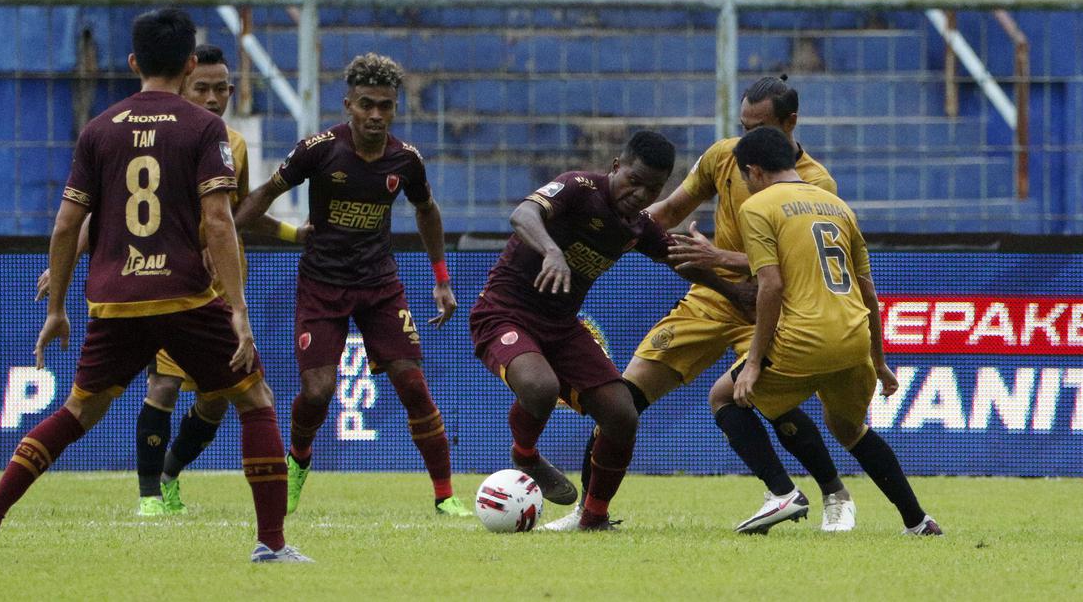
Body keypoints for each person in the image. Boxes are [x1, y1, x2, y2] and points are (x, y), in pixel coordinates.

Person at [0, 8, 311, 564]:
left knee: (77, 412)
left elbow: (67, 223)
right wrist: (237, 308)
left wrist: (56, 307)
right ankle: (272, 543)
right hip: (186, 297)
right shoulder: (204, 128)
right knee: (254, 398)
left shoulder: (99, 130)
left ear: (132, 62)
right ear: (189, 63)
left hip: (115, 299)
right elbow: (219, 221)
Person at [547, 76, 860, 533]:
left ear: (790, 123)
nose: (747, 138)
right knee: (621, 399)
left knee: (768, 401)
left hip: (766, 306)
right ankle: (588, 512)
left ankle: (835, 495)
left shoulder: (816, 182)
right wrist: (613, 228)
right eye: (743, 125)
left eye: (760, 127)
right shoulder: (722, 157)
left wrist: (716, 256)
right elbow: (670, 211)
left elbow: (796, 264)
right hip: (710, 299)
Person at [234, 52, 470, 517]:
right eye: (367, 104)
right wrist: (221, 236)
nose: (376, 114)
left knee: (413, 385)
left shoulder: (406, 160)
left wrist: (441, 280)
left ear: (396, 108)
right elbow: (264, 195)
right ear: (348, 105)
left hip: (380, 286)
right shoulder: (318, 150)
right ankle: (299, 460)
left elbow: (427, 210)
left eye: (386, 105)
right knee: (318, 391)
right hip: (322, 286)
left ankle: (445, 495)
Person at [35, 44, 262, 517]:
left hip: (212, 286)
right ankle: (150, 498)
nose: (214, 98)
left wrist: (286, 233)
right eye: (203, 87)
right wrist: (68, 262)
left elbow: (232, 217)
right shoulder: (145, 132)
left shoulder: (231, 143)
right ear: (184, 78)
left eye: (223, 89)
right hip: (162, 279)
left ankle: (170, 473)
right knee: (162, 386)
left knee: (219, 398)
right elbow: (104, 210)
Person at [714, 127, 941, 536]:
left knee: (724, 397)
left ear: (755, 171)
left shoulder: (759, 206)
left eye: (745, 178)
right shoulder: (838, 206)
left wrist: (751, 363)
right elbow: (867, 290)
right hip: (853, 340)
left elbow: (771, 285)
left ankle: (781, 493)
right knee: (849, 428)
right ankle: (917, 520)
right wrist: (879, 361)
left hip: (804, 339)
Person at [469, 130, 678, 531]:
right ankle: (525, 455)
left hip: (562, 327)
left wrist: (737, 289)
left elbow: (682, 261)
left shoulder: (638, 227)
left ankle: (594, 516)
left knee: (622, 413)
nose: (639, 194)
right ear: (616, 166)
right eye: (633, 180)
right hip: (503, 313)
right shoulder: (578, 187)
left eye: (652, 189)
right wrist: (551, 250)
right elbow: (523, 215)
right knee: (540, 386)